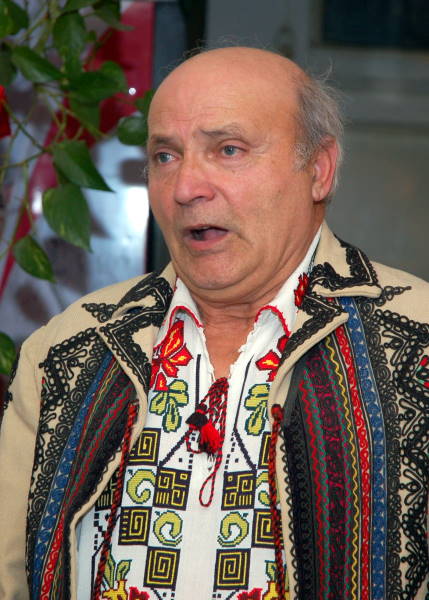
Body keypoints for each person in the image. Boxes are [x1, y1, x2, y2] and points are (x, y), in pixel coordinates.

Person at [0, 46, 428, 600]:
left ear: (318, 170)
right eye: (165, 156)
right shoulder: (70, 346)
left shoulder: (416, 341)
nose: (185, 188)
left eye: (228, 150)